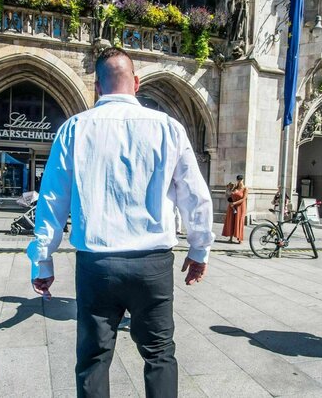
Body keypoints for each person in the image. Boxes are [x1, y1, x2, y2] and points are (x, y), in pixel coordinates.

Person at [27, 47, 214, 398]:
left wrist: (43, 259)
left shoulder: (75, 128)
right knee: (159, 355)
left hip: (98, 264)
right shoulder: (169, 128)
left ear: (97, 86)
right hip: (153, 264)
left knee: (94, 358)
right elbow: (194, 193)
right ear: (137, 83)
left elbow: (53, 198)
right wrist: (199, 249)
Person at [222, 175, 248, 243]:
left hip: (240, 207)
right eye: (238, 180)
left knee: (239, 221)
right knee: (231, 221)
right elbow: (229, 194)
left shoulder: (245, 188)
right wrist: (228, 188)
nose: (239, 181)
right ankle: (230, 238)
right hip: (232, 206)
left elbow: (244, 198)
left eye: (240, 179)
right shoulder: (235, 187)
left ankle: (239, 239)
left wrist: (235, 203)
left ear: (243, 180)